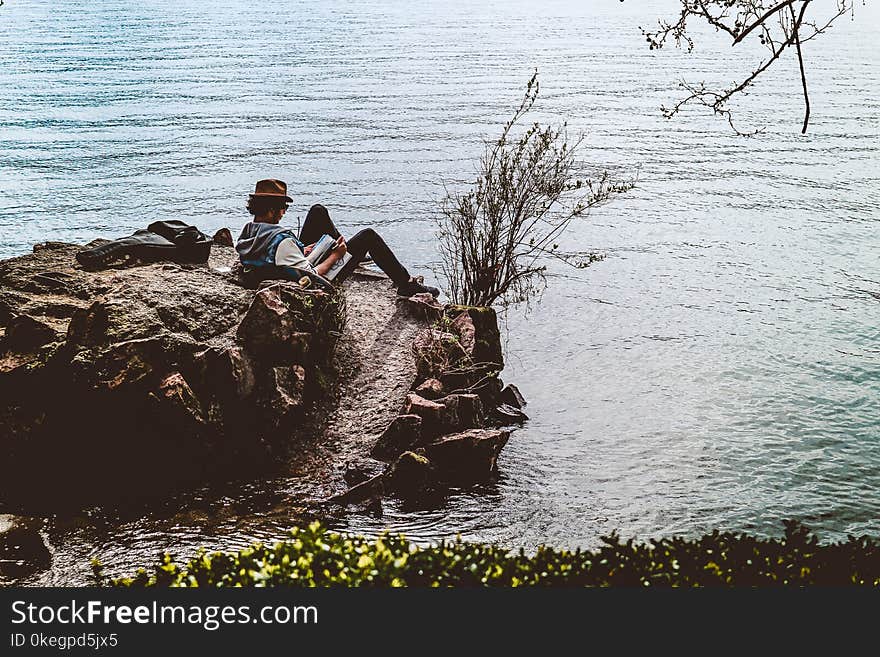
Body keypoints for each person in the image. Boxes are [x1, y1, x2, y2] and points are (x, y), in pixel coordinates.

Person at [235, 179, 440, 297]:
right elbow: (312, 278)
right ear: (271, 210)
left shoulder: (249, 232)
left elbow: (282, 260)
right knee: (368, 236)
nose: (284, 212)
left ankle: (345, 249)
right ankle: (406, 284)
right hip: (311, 280)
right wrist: (337, 255)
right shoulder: (282, 242)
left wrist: (302, 253)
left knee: (317, 211)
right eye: (283, 208)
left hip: (283, 267)